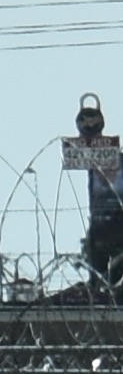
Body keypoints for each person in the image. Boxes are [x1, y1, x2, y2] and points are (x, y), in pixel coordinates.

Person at [69, 96, 123, 294]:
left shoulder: (118, 165)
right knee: (99, 283)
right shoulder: (94, 164)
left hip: (116, 227)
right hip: (99, 230)